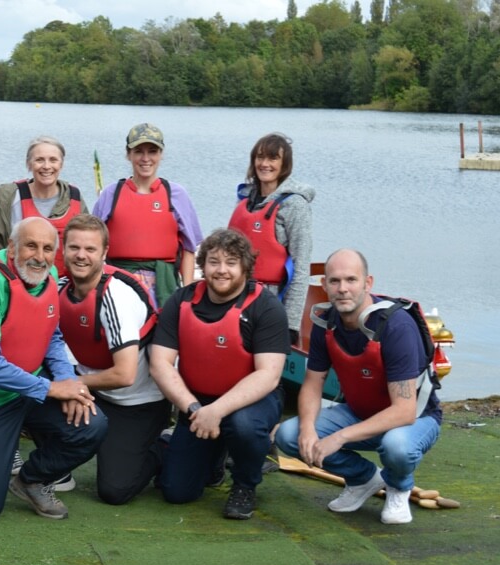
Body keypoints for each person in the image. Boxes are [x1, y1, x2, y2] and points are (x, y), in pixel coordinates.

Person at [0, 217, 107, 520]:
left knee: (91, 424)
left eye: (48, 249)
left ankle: (32, 480)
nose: (40, 256)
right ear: (11, 246)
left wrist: (65, 379)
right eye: (31, 246)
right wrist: (51, 388)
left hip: (29, 389)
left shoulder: (48, 276)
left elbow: (52, 337)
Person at [275, 249, 442, 525]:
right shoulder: (325, 322)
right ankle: (364, 479)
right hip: (358, 413)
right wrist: (307, 430)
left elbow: (404, 411)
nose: (343, 289)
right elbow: (313, 385)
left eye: (351, 280)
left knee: (397, 447)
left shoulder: (395, 326)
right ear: (324, 285)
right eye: (334, 281)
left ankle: (398, 487)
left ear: (368, 283)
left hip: (415, 420)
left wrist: (339, 438)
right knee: (289, 435)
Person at [148, 228, 289, 520]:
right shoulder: (182, 300)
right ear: (203, 264)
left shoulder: (266, 307)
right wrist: (194, 408)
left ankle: (244, 485)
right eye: (213, 262)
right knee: (176, 492)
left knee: (244, 426)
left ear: (245, 267)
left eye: (231, 262)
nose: (221, 270)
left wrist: (218, 410)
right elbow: (160, 363)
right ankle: (213, 458)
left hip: (253, 403)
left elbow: (269, 375)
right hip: (198, 403)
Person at [57, 214, 167, 505]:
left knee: (114, 490)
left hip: (137, 402)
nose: (81, 256)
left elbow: (125, 374)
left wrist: (71, 384)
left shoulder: (116, 296)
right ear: (63, 249)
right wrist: (69, 386)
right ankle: (55, 467)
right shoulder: (59, 288)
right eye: (74, 247)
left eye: (90, 249)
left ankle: (166, 443)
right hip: (95, 393)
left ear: (104, 253)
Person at [92, 123, 203, 308]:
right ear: (129, 154)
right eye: (138, 151)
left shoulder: (176, 194)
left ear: (161, 154)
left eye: (152, 151)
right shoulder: (111, 194)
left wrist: (187, 294)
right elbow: (92, 243)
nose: (146, 158)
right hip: (118, 283)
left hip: (163, 284)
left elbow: (189, 250)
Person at [227, 133, 315, 345]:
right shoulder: (246, 200)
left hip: (271, 300)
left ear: (284, 164)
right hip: (235, 297)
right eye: (260, 157)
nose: (264, 164)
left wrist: (290, 324)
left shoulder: (295, 205)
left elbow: (301, 268)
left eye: (272, 158)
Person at [0, 136, 86, 277]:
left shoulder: (74, 197)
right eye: (39, 160)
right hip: (16, 284)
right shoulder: (7, 196)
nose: (47, 166)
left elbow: (90, 242)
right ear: (29, 164)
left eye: (53, 160)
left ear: (61, 164)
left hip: (62, 286)